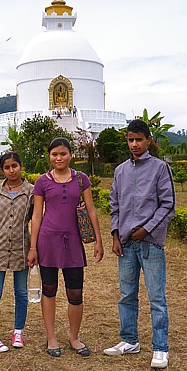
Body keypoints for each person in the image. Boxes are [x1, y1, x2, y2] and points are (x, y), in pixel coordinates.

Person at [104, 120, 175, 369]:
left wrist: (147, 229)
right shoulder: (121, 170)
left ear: (148, 141)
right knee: (126, 295)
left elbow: (168, 205)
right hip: (125, 244)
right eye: (130, 139)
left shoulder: (159, 169)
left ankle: (160, 348)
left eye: (139, 139)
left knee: (156, 298)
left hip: (150, 243)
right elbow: (115, 205)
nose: (134, 144)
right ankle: (130, 340)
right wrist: (115, 234)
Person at [28, 137, 104, 357]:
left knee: (75, 292)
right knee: (49, 290)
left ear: (70, 155)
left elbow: (90, 210)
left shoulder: (81, 179)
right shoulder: (42, 181)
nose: (59, 158)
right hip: (48, 241)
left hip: (72, 242)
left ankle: (74, 337)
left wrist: (98, 240)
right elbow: (36, 215)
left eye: (63, 153)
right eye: (54, 154)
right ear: (49, 157)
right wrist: (33, 248)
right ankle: (51, 338)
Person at [0, 152, 33, 352]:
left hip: (22, 249)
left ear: (21, 166)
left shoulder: (32, 192)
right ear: (2, 170)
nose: (11, 170)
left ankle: (18, 332)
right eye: (7, 167)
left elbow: (34, 218)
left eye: (15, 166)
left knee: (21, 293)